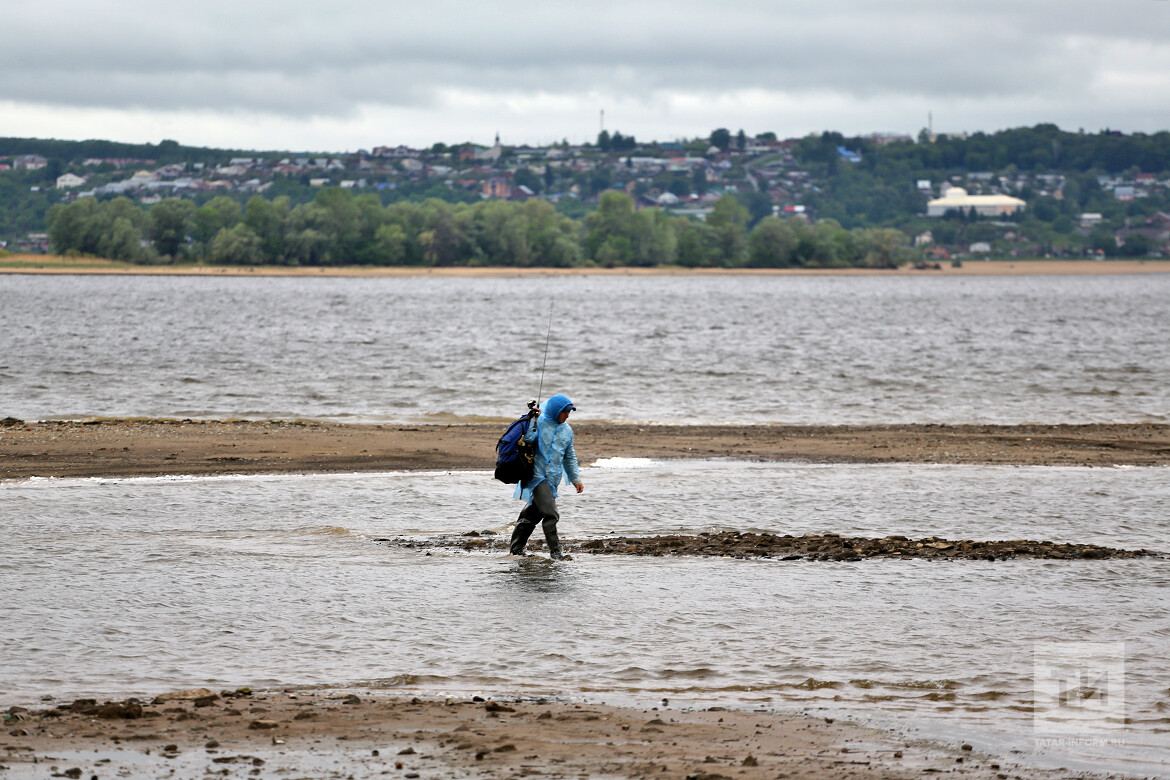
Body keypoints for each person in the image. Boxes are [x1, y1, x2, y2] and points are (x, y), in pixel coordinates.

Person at [508, 393, 584, 560]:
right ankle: (556, 554)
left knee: (531, 515)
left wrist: (575, 479)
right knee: (551, 514)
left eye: (569, 412)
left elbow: (569, 456)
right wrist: (533, 420)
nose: (567, 415)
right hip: (537, 477)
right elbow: (528, 439)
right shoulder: (540, 422)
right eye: (565, 412)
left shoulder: (567, 430)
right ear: (556, 410)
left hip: (553, 480)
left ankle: (516, 550)